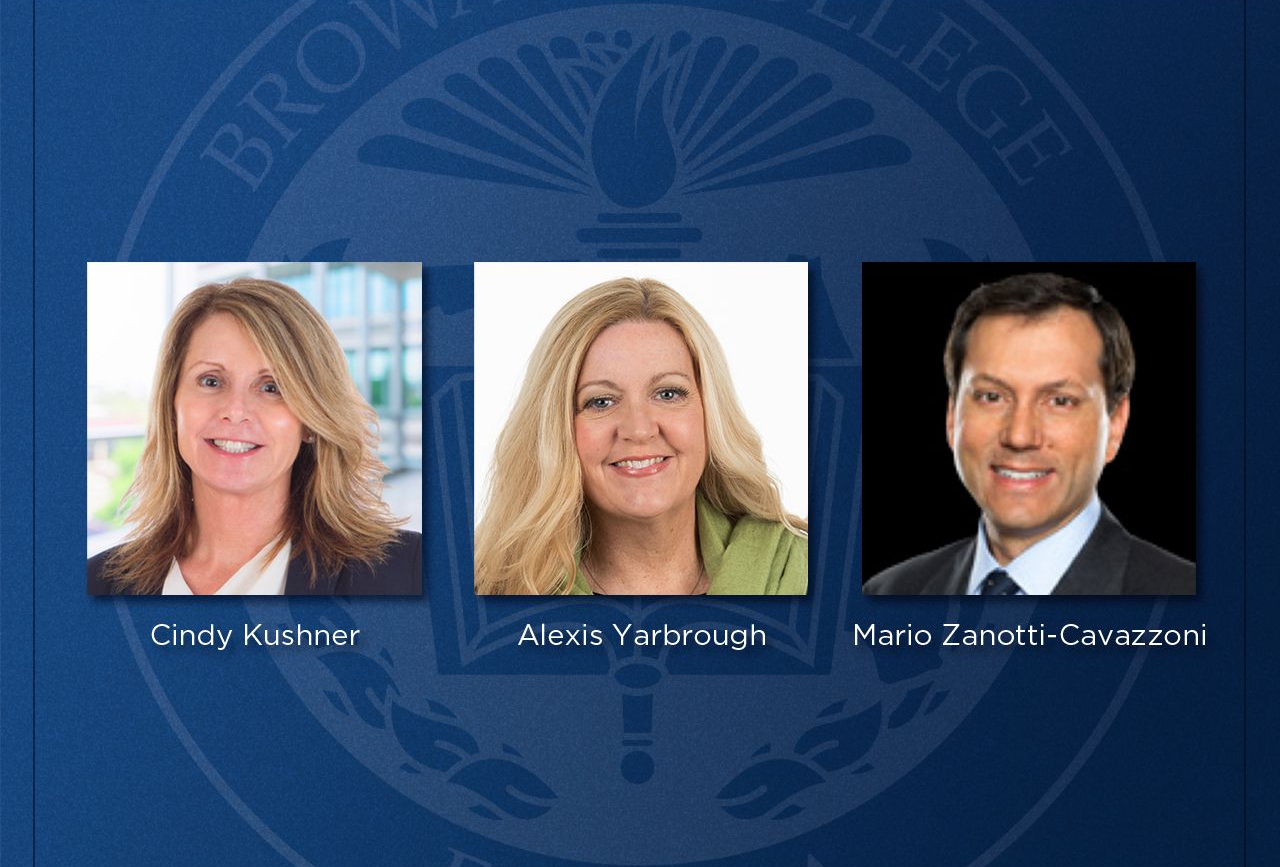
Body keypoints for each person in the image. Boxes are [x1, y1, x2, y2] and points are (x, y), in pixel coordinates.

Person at [864, 272, 1194, 597]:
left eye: (1060, 401)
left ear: (1116, 424)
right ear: (952, 416)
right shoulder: (887, 593)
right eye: (991, 397)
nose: (1020, 436)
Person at [474, 277, 807, 595]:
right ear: (555, 428)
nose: (639, 429)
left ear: (711, 412)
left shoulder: (809, 568)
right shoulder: (486, 588)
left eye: (668, 394)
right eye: (600, 401)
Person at [88, 278, 420, 595]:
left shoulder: (409, 573)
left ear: (310, 419)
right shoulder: (97, 583)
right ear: (171, 404)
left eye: (271, 387)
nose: (235, 410)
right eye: (211, 381)